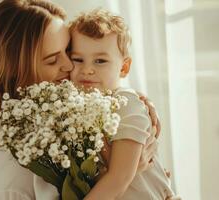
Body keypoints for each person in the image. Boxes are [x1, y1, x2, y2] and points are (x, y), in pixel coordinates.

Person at [0, 1, 161, 199]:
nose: (70, 66)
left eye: (67, 51)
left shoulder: (67, 116)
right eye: (53, 59)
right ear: (16, 70)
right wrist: (125, 171)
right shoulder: (11, 169)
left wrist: (135, 106)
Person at [69, 9, 178, 200]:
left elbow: (119, 177)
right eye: (78, 59)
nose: (87, 70)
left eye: (100, 61)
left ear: (124, 67)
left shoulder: (126, 104)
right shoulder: (75, 108)